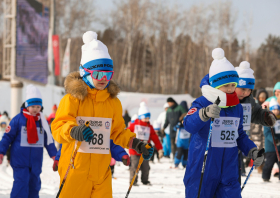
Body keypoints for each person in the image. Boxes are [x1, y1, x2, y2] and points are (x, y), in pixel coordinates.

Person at [51, 31, 153, 198]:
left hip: (102, 173)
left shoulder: (112, 102)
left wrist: (137, 144)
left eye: (108, 74)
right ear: (84, 72)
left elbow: (118, 132)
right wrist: (73, 130)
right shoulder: (72, 99)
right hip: (75, 169)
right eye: (98, 74)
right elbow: (58, 127)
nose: (103, 78)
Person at [183, 48, 264, 198]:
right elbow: (188, 124)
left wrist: (252, 150)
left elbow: (239, 134)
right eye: (226, 85)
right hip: (204, 166)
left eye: (233, 85)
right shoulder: (202, 102)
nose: (230, 89)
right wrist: (204, 114)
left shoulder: (236, 107)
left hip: (229, 169)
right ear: (215, 84)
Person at [0, 84, 57, 198]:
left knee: (34, 186)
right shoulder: (18, 120)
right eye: (33, 106)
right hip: (20, 161)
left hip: (35, 162)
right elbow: (7, 137)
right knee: (21, 185)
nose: (36, 109)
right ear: (27, 106)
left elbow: (48, 140)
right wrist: (1, 152)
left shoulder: (42, 122)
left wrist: (55, 156)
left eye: (38, 106)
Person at [53, 140, 130, 179]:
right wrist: (58, 158)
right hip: (78, 170)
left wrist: (121, 154)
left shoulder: (104, 118)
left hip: (100, 173)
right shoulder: (76, 118)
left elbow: (111, 142)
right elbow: (66, 145)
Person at [128, 102, 163, 186]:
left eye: (148, 118)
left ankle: (145, 180)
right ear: (141, 117)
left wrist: (160, 149)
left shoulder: (149, 127)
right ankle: (133, 181)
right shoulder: (134, 125)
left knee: (146, 167)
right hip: (134, 151)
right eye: (145, 117)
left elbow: (155, 138)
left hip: (145, 151)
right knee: (134, 167)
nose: (147, 119)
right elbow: (127, 133)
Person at [262, 98, 280, 182]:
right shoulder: (268, 119)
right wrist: (274, 140)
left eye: (277, 109)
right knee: (269, 163)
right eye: (274, 109)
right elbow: (267, 133)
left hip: (279, 147)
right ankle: (265, 176)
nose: (276, 111)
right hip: (271, 147)